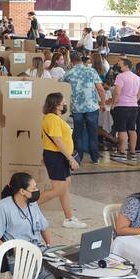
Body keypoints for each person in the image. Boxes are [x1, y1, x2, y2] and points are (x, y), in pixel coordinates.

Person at [39, 92, 86, 228]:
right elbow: (57, 140)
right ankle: (26, 207)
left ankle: (69, 218)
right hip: (56, 156)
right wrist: (71, 158)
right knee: (58, 189)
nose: (65, 103)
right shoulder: (52, 118)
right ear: (56, 104)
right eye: (63, 101)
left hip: (58, 156)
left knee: (65, 188)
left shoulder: (55, 118)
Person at [62, 52, 107, 165]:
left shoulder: (68, 74)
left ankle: (79, 157)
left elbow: (61, 87)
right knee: (93, 133)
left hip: (77, 108)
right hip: (92, 107)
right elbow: (100, 89)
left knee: (78, 133)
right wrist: (103, 103)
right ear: (81, 60)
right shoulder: (91, 71)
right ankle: (95, 157)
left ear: (72, 61)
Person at [111, 58, 140, 162]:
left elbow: (117, 92)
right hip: (134, 106)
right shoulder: (137, 78)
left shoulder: (120, 76)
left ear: (126, 66)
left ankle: (122, 152)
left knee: (121, 129)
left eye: (120, 65)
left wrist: (114, 104)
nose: (118, 67)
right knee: (132, 129)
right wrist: (134, 101)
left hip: (122, 106)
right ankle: (132, 152)